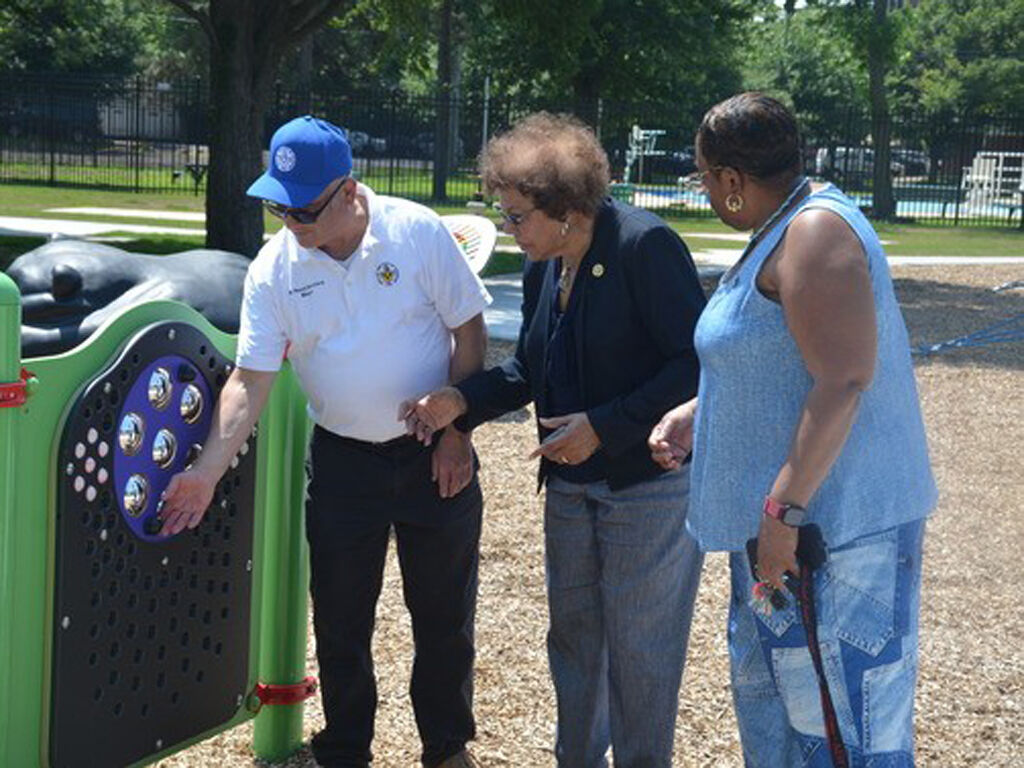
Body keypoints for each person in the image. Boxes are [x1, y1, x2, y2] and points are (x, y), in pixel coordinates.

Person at [159, 115, 491, 768]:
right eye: (277, 206)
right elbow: (249, 383)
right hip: (343, 462)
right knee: (341, 622)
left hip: (432, 453)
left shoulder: (416, 232)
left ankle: (447, 750)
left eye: (303, 210)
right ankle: (344, 752)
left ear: (349, 192)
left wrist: (458, 431)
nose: (290, 223)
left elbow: (470, 334)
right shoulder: (274, 270)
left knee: (444, 619)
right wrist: (205, 471)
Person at [400, 112, 706, 768]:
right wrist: (462, 402)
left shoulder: (643, 248)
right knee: (573, 641)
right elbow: (529, 372)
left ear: (566, 210)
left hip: (644, 486)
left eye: (516, 216)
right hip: (569, 485)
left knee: (641, 652)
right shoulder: (546, 265)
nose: (508, 230)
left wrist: (603, 426)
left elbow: (693, 362)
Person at [649, 93, 937, 767]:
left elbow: (842, 381)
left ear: (729, 179)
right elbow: (782, 359)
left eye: (702, 175)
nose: (704, 189)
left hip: (828, 541)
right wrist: (703, 412)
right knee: (789, 731)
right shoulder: (787, 224)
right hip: (788, 544)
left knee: (845, 739)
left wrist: (782, 510)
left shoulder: (814, 231)